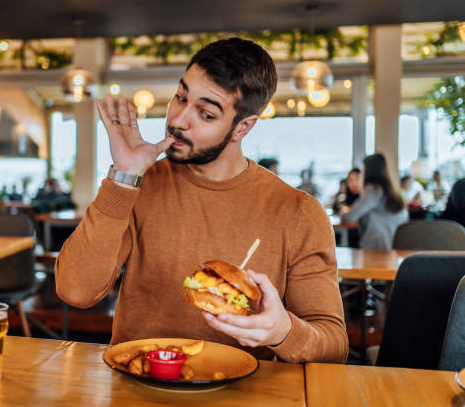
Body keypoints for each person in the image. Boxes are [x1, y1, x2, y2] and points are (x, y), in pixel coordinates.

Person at [55, 38, 347, 363]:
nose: (179, 119)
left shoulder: (298, 212)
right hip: (137, 385)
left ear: (243, 127)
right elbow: (76, 292)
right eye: (181, 97)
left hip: (241, 394)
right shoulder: (140, 183)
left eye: (206, 114)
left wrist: (282, 332)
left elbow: (333, 346)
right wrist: (123, 176)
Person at [341, 153, 409, 249]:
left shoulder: (373, 190)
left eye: (363, 171)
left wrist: (343, 212)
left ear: (368, 171)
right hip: (395, 245)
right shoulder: (391, 191)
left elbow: (349, 217)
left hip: (377, 247)